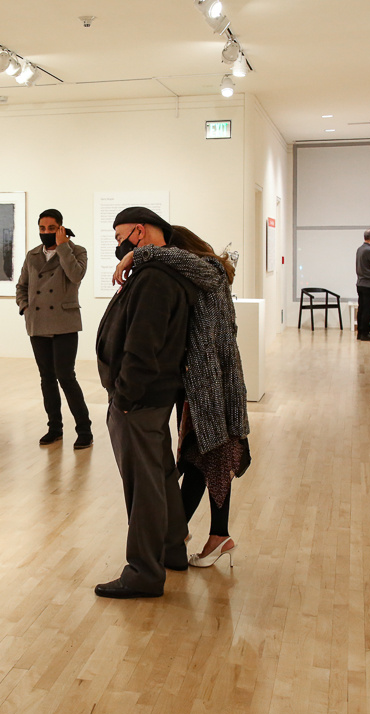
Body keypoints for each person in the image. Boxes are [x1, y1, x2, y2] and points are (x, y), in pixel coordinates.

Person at [113, 225, 251, 569]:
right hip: (206, 382)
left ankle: (201, 534)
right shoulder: (209, 275)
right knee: (202, 458)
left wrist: (138, 253)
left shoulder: (209, 270)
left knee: (207, 458)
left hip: (212, 384)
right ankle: (188, 532)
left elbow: (176, 257)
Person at [93, 207, 196, 599]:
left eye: (121, 236)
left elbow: (143, 344)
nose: (118, 244)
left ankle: (144, 571)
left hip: (138, 400)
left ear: (139, 231)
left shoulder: (155, 277)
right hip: (152, 397)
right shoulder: (162, 273)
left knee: (143, 486)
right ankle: (171, 550)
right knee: (160, 475)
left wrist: (124, 397)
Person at [15, 209, 93, 449]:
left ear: (60, 227)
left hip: (64, 322)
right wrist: (25, 307)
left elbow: (76, 275)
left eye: (51, 228)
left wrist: (62, 246)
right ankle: (54, 428)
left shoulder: (77, 251)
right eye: (42, 228)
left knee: (66, 376)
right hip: (37, 323)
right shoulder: (32, 255)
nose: (45, 233)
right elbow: (22, 286)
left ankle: (84, 430)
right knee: (47, 378)